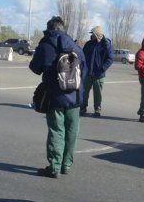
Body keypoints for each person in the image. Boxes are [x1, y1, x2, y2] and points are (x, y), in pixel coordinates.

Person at [29, 16, 86, 178]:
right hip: (75, 97)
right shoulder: (76, 47)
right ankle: (66, 165)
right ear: (63, 28)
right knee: (71, 132)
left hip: (55, 97)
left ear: (49, 29)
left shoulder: (46, 46)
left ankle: (54, 167)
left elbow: (35, 67)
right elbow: (85, 71)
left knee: (56, 131)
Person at [81, 26, 113, 117]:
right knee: (84, 92)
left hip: (99, 75)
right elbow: (82, 56)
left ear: (98, 34)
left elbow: (110, 59)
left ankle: (97, 109)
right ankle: (82, 107)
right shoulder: (88, 44)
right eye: (92, 34)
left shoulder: (106, 45)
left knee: (97, 93)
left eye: (93, 34)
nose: (92, 35)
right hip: (88, 73)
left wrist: (102, 68)